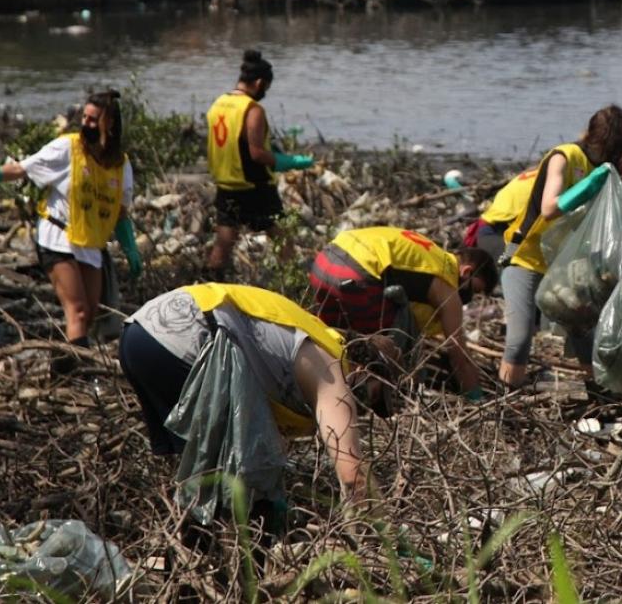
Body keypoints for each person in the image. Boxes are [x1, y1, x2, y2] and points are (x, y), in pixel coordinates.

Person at [118, 283, 366, 521]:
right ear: (363, 369)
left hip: (138, 332)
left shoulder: (308, 336)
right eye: (372, 394)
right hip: (187, 337)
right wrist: (375, 532)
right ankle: (233, 553)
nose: (363, 406)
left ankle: (188, 552)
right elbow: (352, 475)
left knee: (202, 475)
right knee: (247, 484)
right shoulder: (333, 370)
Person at [0, 90, 142, 355]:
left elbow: (120, 213)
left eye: (93, 120)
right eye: (84, 117)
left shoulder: (120, 165)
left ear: (110, 124)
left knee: (91, 313)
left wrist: (131, 250)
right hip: (57, 235)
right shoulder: (67, 148)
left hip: (90, 242)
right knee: (78, 311)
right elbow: (18, 169)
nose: (86, 124)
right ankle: (76, 374)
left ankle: (61, 364)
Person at [497, 105, 622, 387]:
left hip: (566, 265)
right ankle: (505, 401)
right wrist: (587, 186)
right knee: (520, 336)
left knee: (585, 331)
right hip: (526, 258)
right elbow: (549, 208)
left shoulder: (605, 171)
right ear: (615, 142)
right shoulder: (565, 156)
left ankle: (600, 395)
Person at [307, 225, 498, 402]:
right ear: (467, 272)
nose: (470, 297)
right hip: (356, 277)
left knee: (330, 342)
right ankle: (369, 398)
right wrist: (475, 397)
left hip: (323, 264)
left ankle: (320, 391)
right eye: (474, 290)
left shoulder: (431, 253)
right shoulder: (447, 282)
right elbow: (459, 356)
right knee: (395, 347)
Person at [204, 50, 313, 279]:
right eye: (266, 88)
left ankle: (208, 287)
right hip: (255, 186)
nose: (265, 93)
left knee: (223, 244)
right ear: (260, 82)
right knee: (283, 240)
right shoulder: (252, 110)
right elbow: (256, 153)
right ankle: (294, 284)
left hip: (226, 186)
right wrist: (288, 161)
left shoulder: (219, 104)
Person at [462, 166, 539, 262]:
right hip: (493, 232)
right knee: (518, 262)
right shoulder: (548, 181)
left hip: (489, 228)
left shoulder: (537, 172)